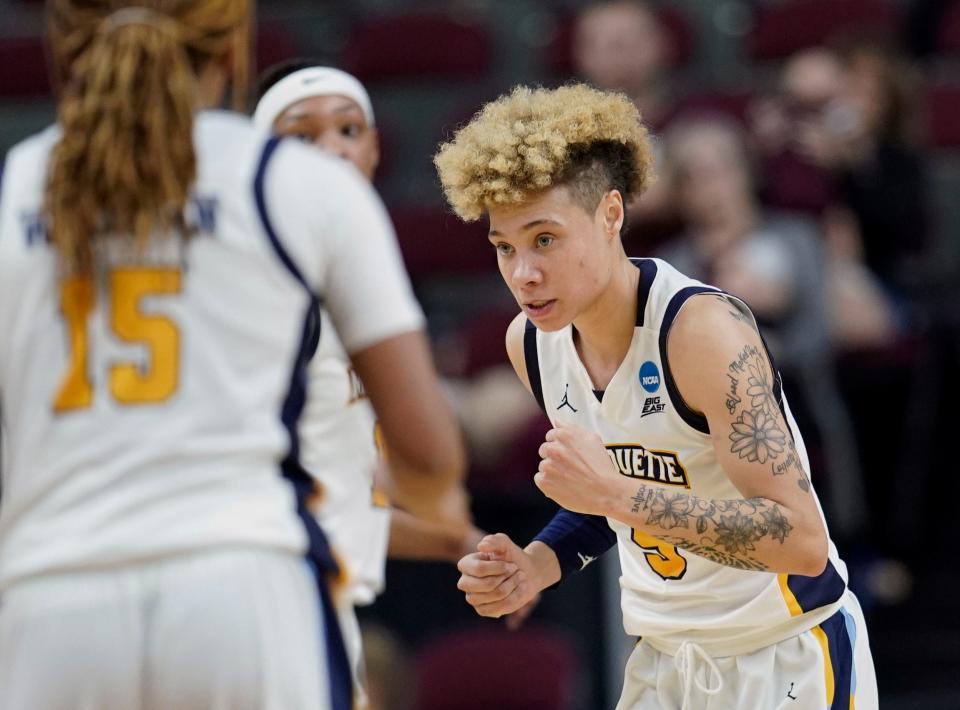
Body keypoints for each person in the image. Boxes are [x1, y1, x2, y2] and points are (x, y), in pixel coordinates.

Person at [0, 2, 464, 710]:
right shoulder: (294, 184)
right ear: (230, 51)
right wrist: (443, 510)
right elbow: (427, 456)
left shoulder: (13, 188)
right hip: (240, 585)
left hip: (53, 598)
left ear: (66, 49)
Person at [435, 84, 877, 709]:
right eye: (505, 247)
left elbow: (800, 541)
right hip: (665, 664)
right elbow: (608, 494)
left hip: (784, 657)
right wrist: (539, 563)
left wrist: (614, 494)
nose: (523, 273)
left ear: (610, 214)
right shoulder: (531, 343)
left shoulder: (701, 332)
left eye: (544, 239)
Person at [253, 61, 483, 707]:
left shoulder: (347, 279)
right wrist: (440, 503)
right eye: (303, 136)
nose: (331, 148)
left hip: (313, 594)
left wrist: (448, 540)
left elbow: (331, 493)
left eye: (349, 129)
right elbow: (427, 463)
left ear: (377, 147)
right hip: (275, 601)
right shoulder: (274, 292)